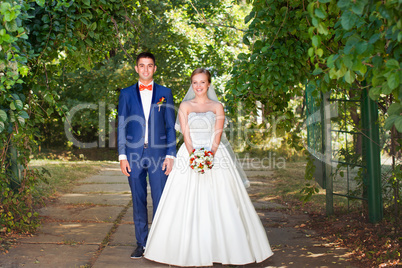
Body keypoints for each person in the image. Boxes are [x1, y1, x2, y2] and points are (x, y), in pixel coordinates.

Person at [144, 68, 273, 266]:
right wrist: (194, 155)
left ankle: (225, 249)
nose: (198, 86)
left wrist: (209, 155)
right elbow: (186, 135)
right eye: (195, 82)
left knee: (223, 201)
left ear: (209, 84)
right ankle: (180, 250)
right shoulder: (185, 106)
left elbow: (218, 133)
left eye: (202, 82)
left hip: (215, 154)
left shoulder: (217, 106)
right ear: (191, 84)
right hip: (190, 153)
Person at [117, 52, 176, 259]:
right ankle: (141, 243)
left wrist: (171, 155)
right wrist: (122, 156)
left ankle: (160, 244)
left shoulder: (165, 93)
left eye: (149, 66)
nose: (145, 69)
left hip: (159, 154)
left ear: (155, 68)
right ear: (136, 68)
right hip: (133, 155)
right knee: (138, 199)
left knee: (161, 199)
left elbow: (170, 126)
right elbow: (122, 126)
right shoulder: (125, 94)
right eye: (141, 65)